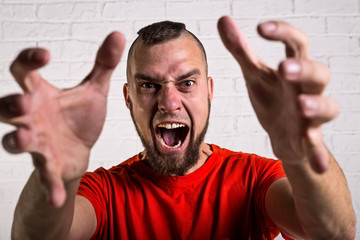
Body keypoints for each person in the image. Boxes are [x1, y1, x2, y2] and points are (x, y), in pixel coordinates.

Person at [2, 16, 355, 239]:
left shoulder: (253, 177)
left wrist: (302, 153)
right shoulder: (104, 191)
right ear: (128, 98)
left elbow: (334, 233)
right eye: (149, 85)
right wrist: (59, 174)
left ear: (209, 91)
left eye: (186, 83)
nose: (169, 102)